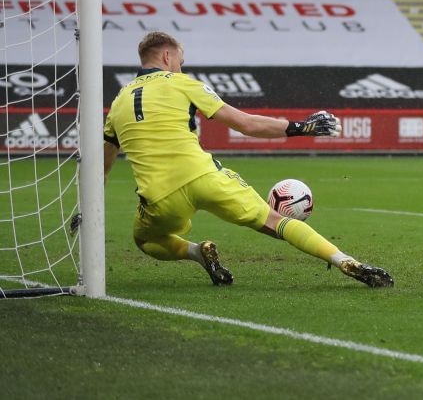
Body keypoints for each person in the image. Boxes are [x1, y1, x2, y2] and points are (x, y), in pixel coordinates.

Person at [103, 32, 393, 288]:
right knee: (275, 221)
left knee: (145, 241)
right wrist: (300, 127)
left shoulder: (117, 103)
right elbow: (245, 124)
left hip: (159, 197)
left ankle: (196, 252)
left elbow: (103, 165)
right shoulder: (181, 83)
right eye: (180, 60)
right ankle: (343, 260)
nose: (180, 66)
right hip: (205, 178)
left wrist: (87, 210)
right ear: (167, 56)